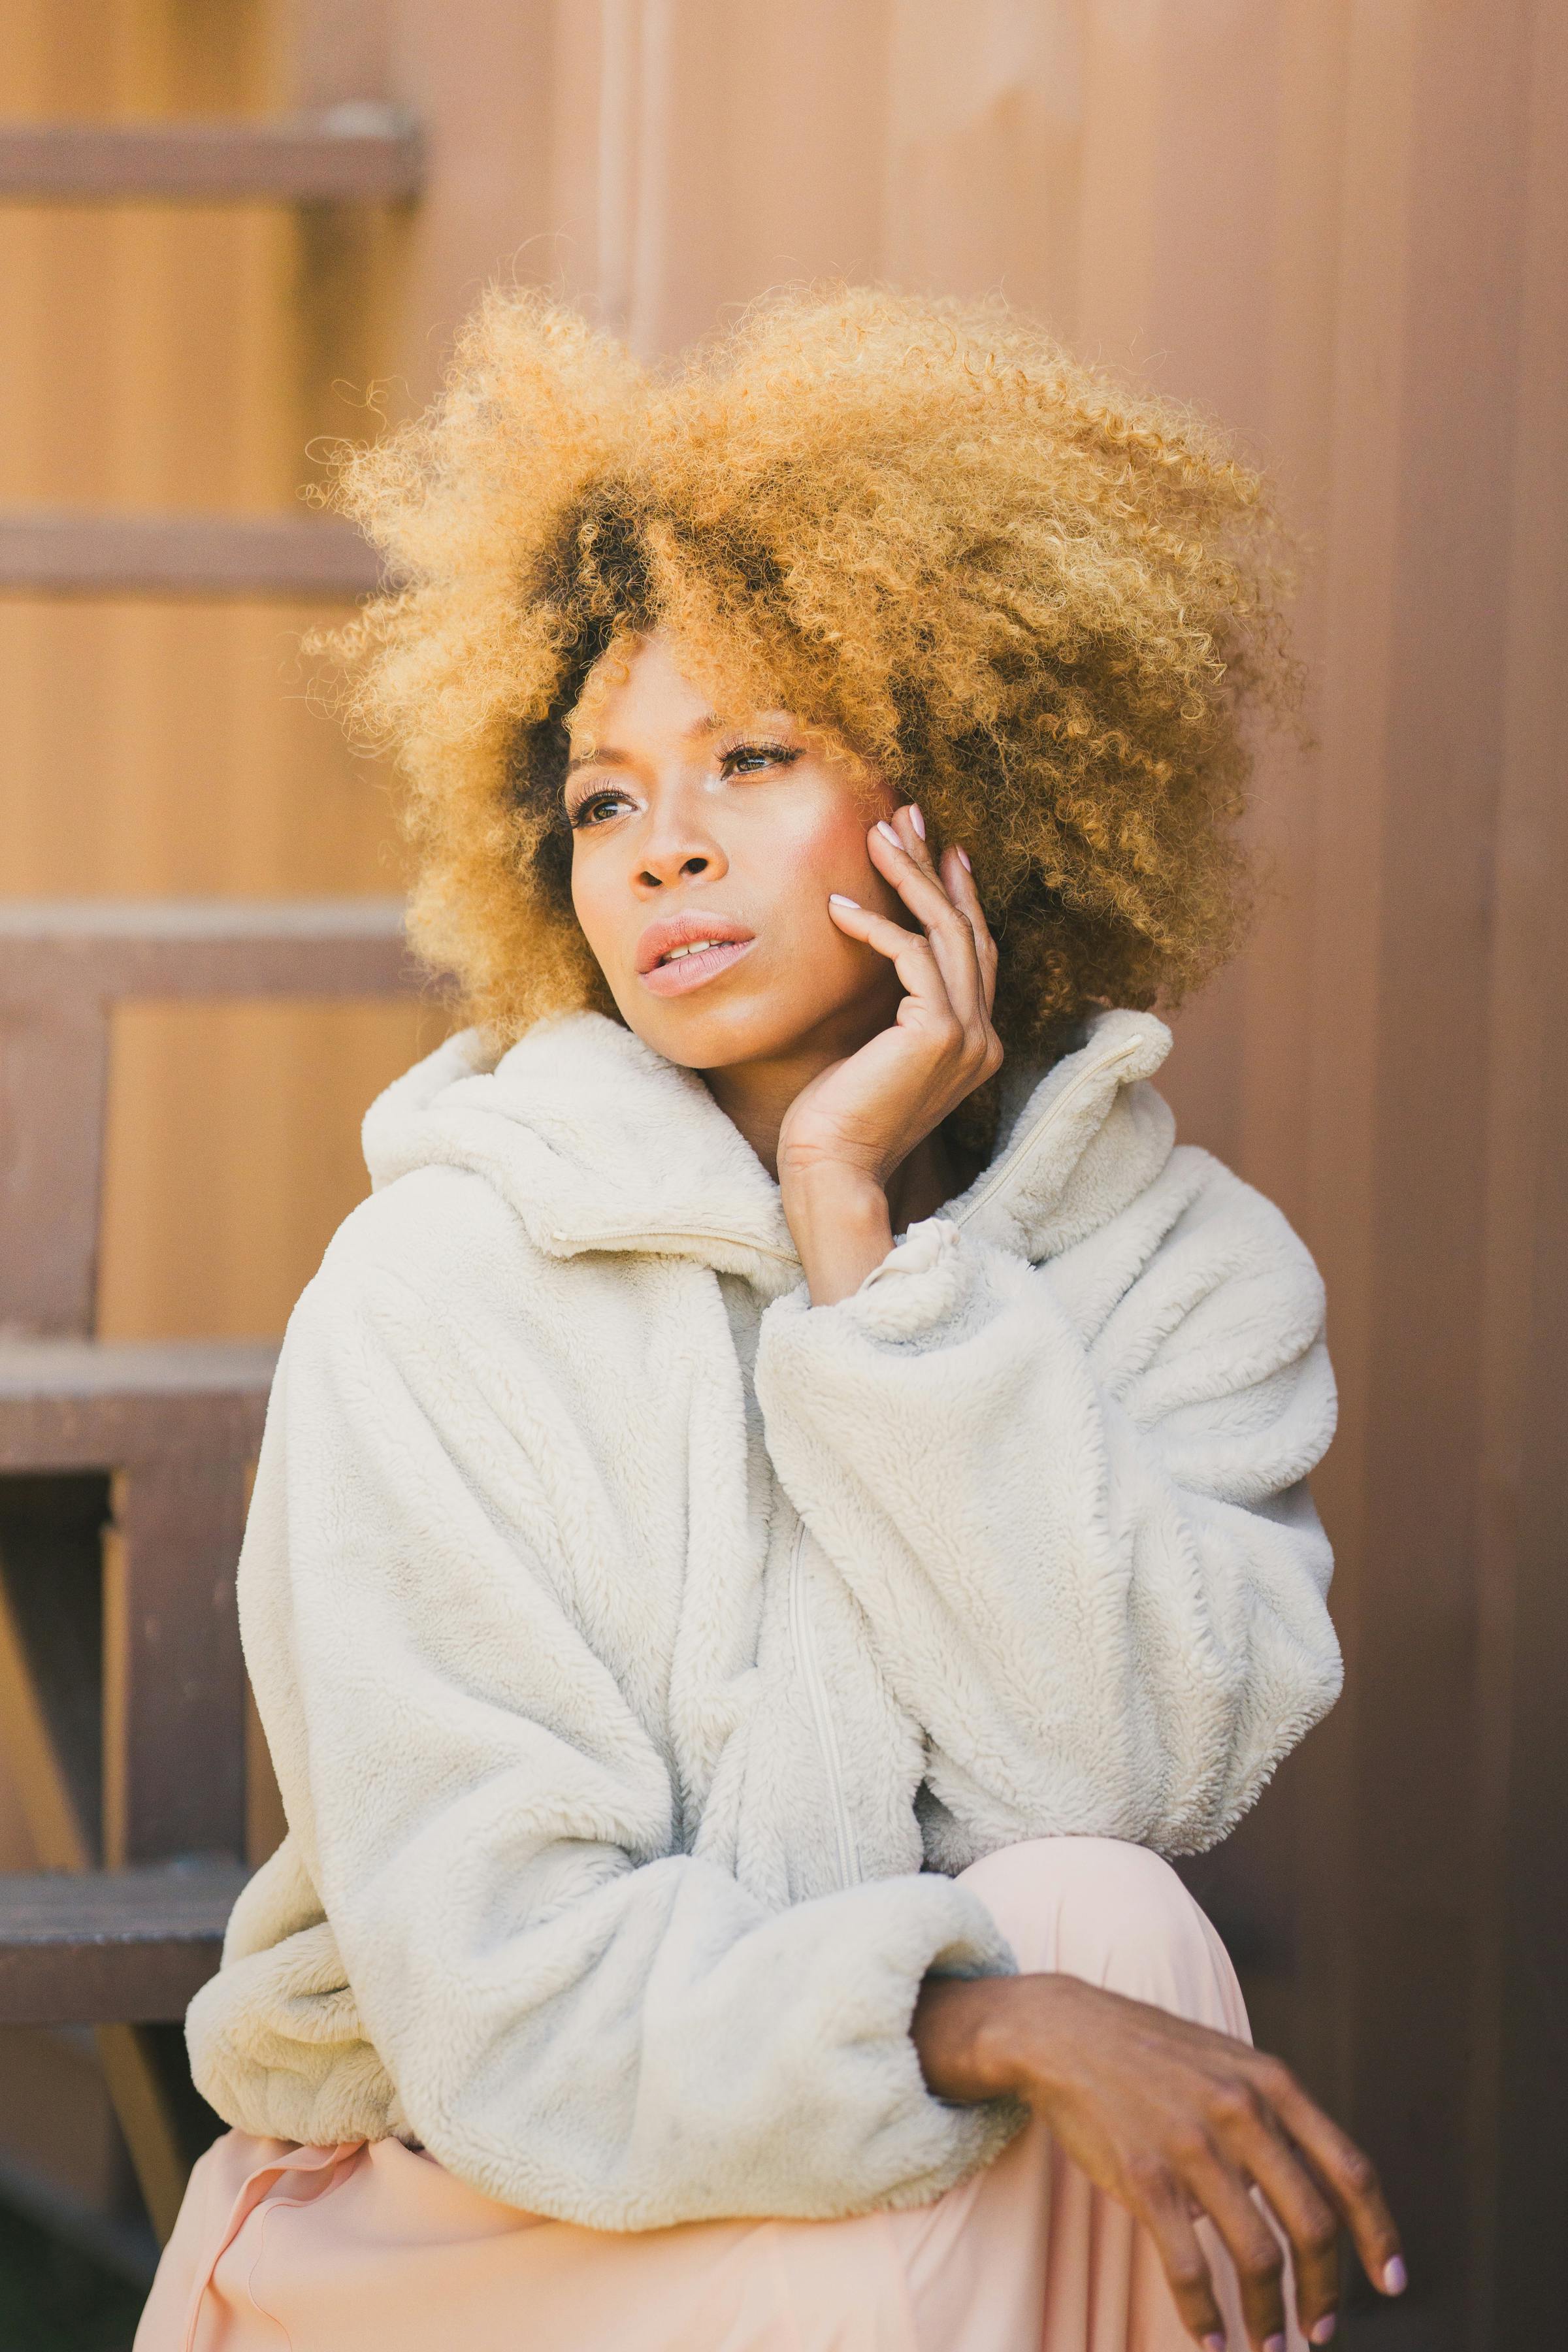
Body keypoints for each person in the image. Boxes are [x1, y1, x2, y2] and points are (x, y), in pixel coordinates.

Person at [137, 289, 1405, 2352]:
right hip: (468, 2211)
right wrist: (969, 2020)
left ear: (963, 787)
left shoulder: (1186, 1277)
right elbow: (503, 1997)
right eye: (607, 798)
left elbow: (1113, 1774)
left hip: (905, 2214)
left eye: (752, 756)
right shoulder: (443, 1280)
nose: (672, 852)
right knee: (1056, 2013)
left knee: (1116, 1916)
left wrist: (869, 1258)